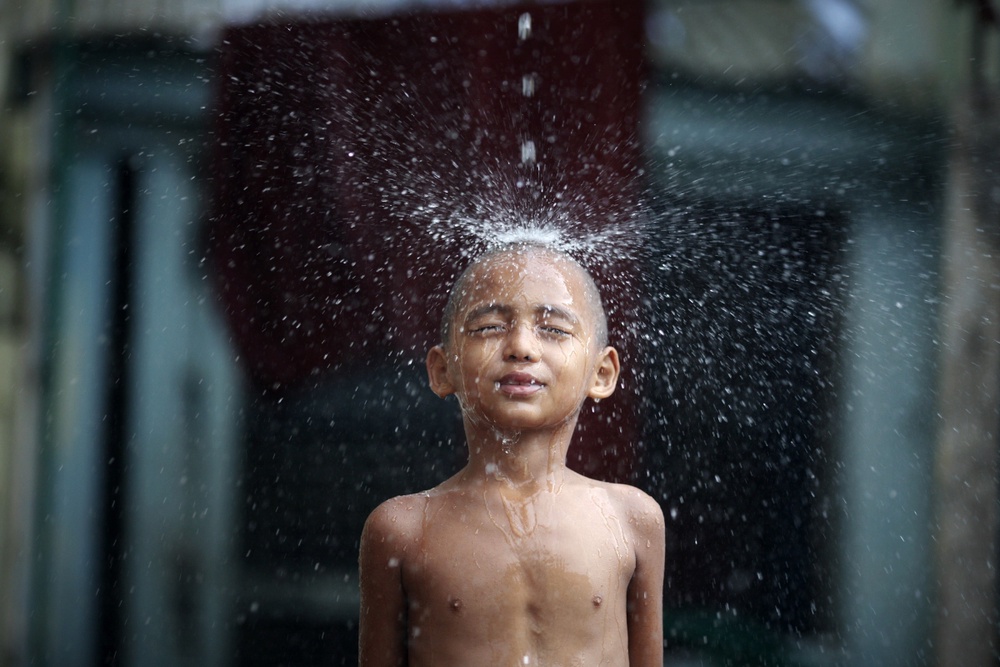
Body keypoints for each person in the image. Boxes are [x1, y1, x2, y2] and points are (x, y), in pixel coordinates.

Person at [358, 242, 665, 667]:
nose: (521, 346)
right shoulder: (404, 530)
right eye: (488, 327)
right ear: (442, 369)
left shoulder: (631, 520)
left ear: (602, 372)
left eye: (555, 329)